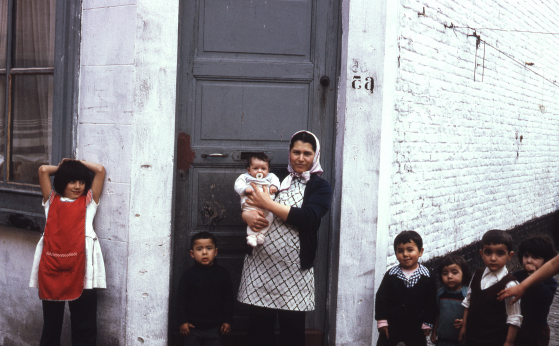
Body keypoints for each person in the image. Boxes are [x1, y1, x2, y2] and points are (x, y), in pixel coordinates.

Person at [236, 130, 333, 346]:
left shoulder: (320, 187)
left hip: (295, 270)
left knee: (292, 331)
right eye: (296, 152)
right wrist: (248, 215)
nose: (300, 158)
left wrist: (268, 204)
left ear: (315, 155)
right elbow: (247, 197)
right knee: (259, 330)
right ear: (289, 153)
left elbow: (307, 217)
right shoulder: (273, 176)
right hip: (261, 264)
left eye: (307, 153)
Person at [30, 159, 106, 346]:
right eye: (72, 181)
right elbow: (43, 170)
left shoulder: (88, 203)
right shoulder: (51, 202)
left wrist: (77, 163)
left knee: (84, 325)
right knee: (51, 325)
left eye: (81, 182)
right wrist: (65, 168)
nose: (77, 186)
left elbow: (100, 170)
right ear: (62, 181)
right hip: (53, 269)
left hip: (83, 270)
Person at [458, 230, 522, 346]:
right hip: (472, 338)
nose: (493, 258)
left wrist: (509, 342)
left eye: (500, 253)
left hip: (494, 341)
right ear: (481, 254)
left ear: (510, 256)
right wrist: (464, 327)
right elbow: (468, 303)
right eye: (488, 253)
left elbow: (514, 317)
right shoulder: (477, 274)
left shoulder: (510, 284)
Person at [375, 230, 437, 346]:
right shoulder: (391, 274)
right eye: (400, 251)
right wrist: (382, 321)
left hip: (416, 326)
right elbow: (381, 297)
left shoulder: (427, 276)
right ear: (395, 254)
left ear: (420, 251)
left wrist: (428, 322)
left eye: (410, 250)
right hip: (393, 324)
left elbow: (431, 301)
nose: (405, 254)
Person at [176, 231, 234, 346]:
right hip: (192, 328)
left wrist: (227, 320)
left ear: (215, 251)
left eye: (209, 248)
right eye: (199, 249)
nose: (204, 253)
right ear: (192, 254)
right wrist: (183, 321)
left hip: (215, 328)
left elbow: (228, 299)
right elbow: (181, 300)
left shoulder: (222, 274)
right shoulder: (188, 275)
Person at [511, 235, 557, 346]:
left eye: (535, 257)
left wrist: (533, 275)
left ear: (546, 261)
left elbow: (545, 297)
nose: (529, 261)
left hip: (537, 328)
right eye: (526, 256)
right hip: (518, 325)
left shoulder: (549, 281)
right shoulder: (517, 276)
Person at [234, 153, 280, 247]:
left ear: (268, 170)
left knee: (270, 218)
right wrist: (244, 189)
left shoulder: (271, 177)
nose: (260, 171)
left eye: (263, 169)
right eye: (255, 168)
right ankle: (251, 236)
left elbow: (276, 181)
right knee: (254, 220)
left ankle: (261, 234)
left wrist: (274, 186)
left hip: (268, 206)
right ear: (249, 170)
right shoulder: (245, 177)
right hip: (250, 206)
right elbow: (237, 185)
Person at [430, 254, 472, 346]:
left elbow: (474, 314)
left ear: (463, 275)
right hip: (443, 340)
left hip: (461, 340)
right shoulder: (440, 293)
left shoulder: (467, 294)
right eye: (445, 273)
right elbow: (438, 313)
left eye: (454, 272)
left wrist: (466, 322)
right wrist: (434, 331)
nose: (449, 276)